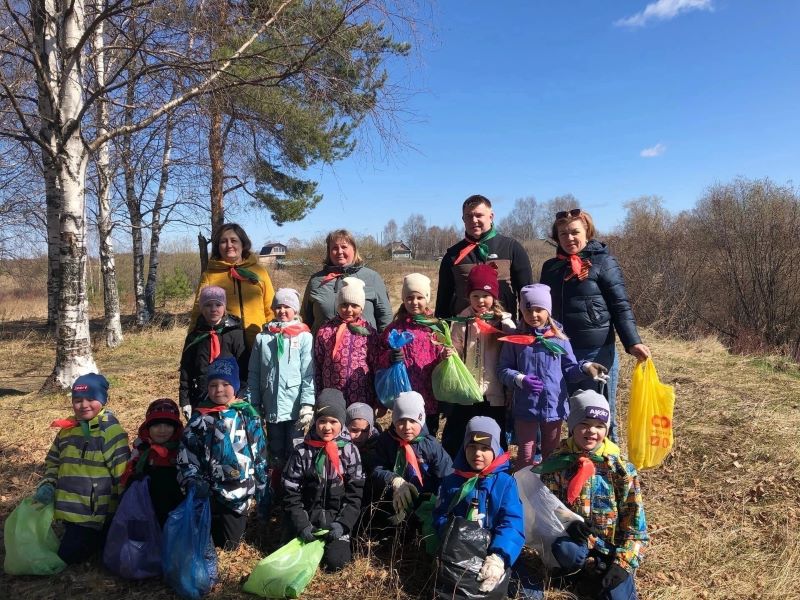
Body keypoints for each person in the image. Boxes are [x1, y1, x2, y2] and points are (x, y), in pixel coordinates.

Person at [539, 209, 650, 442]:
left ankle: (610, 468)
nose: (569, 238)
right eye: (563, 234)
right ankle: (575, 468)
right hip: (562, 351)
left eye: (574, 232)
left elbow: (620, 305)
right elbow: (542, 309)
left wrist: (633, 342)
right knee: (573, 411)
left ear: (587, 232)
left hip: (597, 349)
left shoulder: (603, 262)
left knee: (600, 410)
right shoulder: (551, 268)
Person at [533, 390, 648, 600]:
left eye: (599, 426)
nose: (591, 431)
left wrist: (623, 563)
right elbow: (545, 510)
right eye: (584, 424)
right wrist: (570, 523)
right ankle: (576, 576)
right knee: (566, 550)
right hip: (577, 547)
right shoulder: (556, 464)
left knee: (617, 593)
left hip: (612, 550)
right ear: (572, 426)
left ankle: (603, 578)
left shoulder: (620, 469)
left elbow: (636, 529)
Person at [498, 284, 607, 467]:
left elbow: (570, 370)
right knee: (526, 454)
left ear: (548, 310)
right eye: (528, 309)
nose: (533, 315)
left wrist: (585, 368)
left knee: (551, 453)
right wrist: (520, 379)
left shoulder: (559, 339)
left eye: (539, 310)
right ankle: (522, 489)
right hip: (526, 406)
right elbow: (503, 369)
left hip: (554, 406)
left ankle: (549, 487)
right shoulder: (515, 340)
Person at [33, 373, 130, 564]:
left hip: (94, 514)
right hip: (68, 510)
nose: (84, 405)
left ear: (103, 400)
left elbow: (122, 472)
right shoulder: (67, 430)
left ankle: (102, 539)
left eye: (91, 399)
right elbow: (53, 461)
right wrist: (49, 483)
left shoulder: (110, 432)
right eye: (77, 400)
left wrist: (122, 509)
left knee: (66, 557)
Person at [177, 357, 268, 549]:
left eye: (225, 384)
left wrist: (261, 487)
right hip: (209, 488)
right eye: (213, 384)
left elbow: (258, 453)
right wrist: (193, 481)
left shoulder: (247, 415)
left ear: (235, 385)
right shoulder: (199, 419)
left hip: (239, 490)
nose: (219, 389)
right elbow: (187, 455)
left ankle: (232, 518)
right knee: (205, 539)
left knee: (230, 544)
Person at [433, 416, 525, 597]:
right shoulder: (452, 480)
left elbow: (512, 522)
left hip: (494, 548)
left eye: (485, 448)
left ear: (496, 449)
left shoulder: (505, 483)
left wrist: (499, 556)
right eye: (472, 447)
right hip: (459, 550)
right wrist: (450, 537)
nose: (477, 454)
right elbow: (440, 514)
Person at [282, 388, 365, 572]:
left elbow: (355, 495)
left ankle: (339, 541)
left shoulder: (350, 452)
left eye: (333, 422)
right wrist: (302, 524)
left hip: (336, 522)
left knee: (335, 563)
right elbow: (290, 491)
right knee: (292, 563)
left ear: (342, 422)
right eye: (322, 421)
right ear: (315, 422)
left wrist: (343, 524)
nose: (327, 427)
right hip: (307, 520)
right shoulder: (302, 451)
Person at [444, 264, 516, 457]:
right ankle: (457, 470)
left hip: (494, 394)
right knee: (461, 435)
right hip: (467, 392)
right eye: (475, 296)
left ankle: (496, 471)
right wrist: (450, 354)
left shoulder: (505, 323)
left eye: (485, 295)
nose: (480, 301)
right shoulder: (461, 322)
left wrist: (509, 390)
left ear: (494, 296)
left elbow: (511, 357)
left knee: (494, 436)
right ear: (469, 297)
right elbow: (457, 350)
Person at [248, 288, 315, 481]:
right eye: (278, 307)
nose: (282, 311)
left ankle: (295, 485)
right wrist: (253, 403)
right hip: (271, 405)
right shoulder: (263, 337)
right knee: (274, 447)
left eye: (287, 306)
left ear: (295, 310)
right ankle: (276, 486)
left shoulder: (303, 336)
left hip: (295, 407)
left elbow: (308, 373)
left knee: (295, 447)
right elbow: (254, 372)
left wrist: (307, 404)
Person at [436, 194, 532, 320]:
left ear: (491, 217)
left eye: (479, 215)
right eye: (468, 216)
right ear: (463, 219)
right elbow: (443, 299)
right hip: (465, 331)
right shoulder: (453, 255)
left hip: (502, 330)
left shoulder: (511, 248)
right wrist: (441, 333)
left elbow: (526, 294)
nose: (474, 220)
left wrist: (526, 328)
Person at [376, 273, 446, 435]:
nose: (414, 302)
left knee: (428, 435)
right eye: (409, 298)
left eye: (419, 298)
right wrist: (389, 358)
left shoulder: (436, 327)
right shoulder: (394, 329)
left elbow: (443, 353)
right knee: (404, 434)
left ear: (427, 299)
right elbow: (378, 357)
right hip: (403, 395)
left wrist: (446, 356)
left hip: (430, 395)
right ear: (403, 300)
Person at [371, 392, 453, 528]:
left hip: (426, 499)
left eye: (413, 421)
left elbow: (446, 474)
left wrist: (439, 499)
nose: (407, 427)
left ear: (421, 420)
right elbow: (376, 470)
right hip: (394, 499)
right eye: (401, 421)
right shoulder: (386, 441)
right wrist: (393, 479)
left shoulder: (430, 445)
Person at [189, 223, 275, 352]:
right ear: (218, 247)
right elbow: (198, 311)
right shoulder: (209, 275)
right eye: (223, 241)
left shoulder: (259, 272)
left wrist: (274, 335)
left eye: (234, 240)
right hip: (225, 346)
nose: (229, 245)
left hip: (259, 343)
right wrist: (190, 345)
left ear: (243, 244)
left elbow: (270, 307)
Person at [301, 229, 392, 334]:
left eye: (344, 247)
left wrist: (386, 345)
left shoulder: (372, 277)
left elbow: (385, 317)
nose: (339, 251)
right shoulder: (316, 280)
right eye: (335, 248)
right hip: (324, 348)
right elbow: (305, 319)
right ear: (329, 252)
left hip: (365, 347)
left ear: (354, 249)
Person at [180, 285, 248, 419]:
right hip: (201, 396)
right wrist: (185, 400)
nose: (213, 309)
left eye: (218, 304)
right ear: (201, 308)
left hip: (230, 398)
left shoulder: (235, 334)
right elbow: (186, 370)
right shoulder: (194, 337)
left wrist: (242, 394)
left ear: (224, 308)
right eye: (208, 305)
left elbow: (244, 367)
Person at [313, 277, 380, 410]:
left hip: (360, 392)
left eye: (354, 306)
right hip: (331, 392)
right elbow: (318, 362)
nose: (349, 310)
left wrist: (376, 396)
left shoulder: (368, 332)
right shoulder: (326, 330)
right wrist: (319, 392)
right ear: (338, 306)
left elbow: (374, 364)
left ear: (361, 308)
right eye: (344, 305)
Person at [120, 398, 184, 527]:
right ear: (148, 427)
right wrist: (133, 478)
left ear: (175, 428)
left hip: (174, 509)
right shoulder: (142, 449)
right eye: (156, 425)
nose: (162, 430)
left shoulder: (182, 450)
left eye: (168, 425)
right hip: (145, 508)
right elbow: (127, 474)